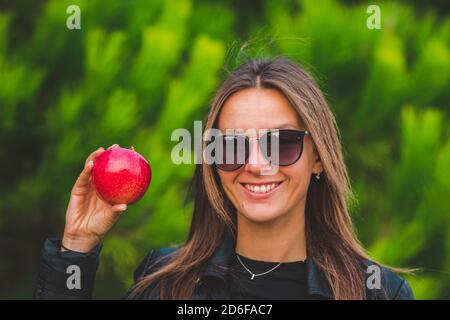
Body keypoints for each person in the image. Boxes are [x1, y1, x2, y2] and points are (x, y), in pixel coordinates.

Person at [34, 58, 414, 300]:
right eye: (231, 146)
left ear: (318, 158)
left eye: (281, 143)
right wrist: (76, 250)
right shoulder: (167, 284)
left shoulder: (377, 292)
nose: (255, 164)